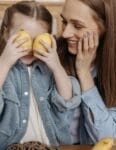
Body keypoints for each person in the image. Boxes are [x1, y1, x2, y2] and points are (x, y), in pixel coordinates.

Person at [0, 1, 80, 149]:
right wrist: (4, 63)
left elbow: (67, 101)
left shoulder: (49, 70)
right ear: (6, 33)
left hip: (51, 145)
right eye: (23, 36)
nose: (30, 46)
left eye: (37, 38)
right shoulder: (3, 70)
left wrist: (56, 67)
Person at [57, 0, 116, 144]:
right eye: (64, 21)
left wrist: (83, 72)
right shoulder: (52, 57)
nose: (65, 33)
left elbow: (105, 139)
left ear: (104, 28)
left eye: (78, 26)